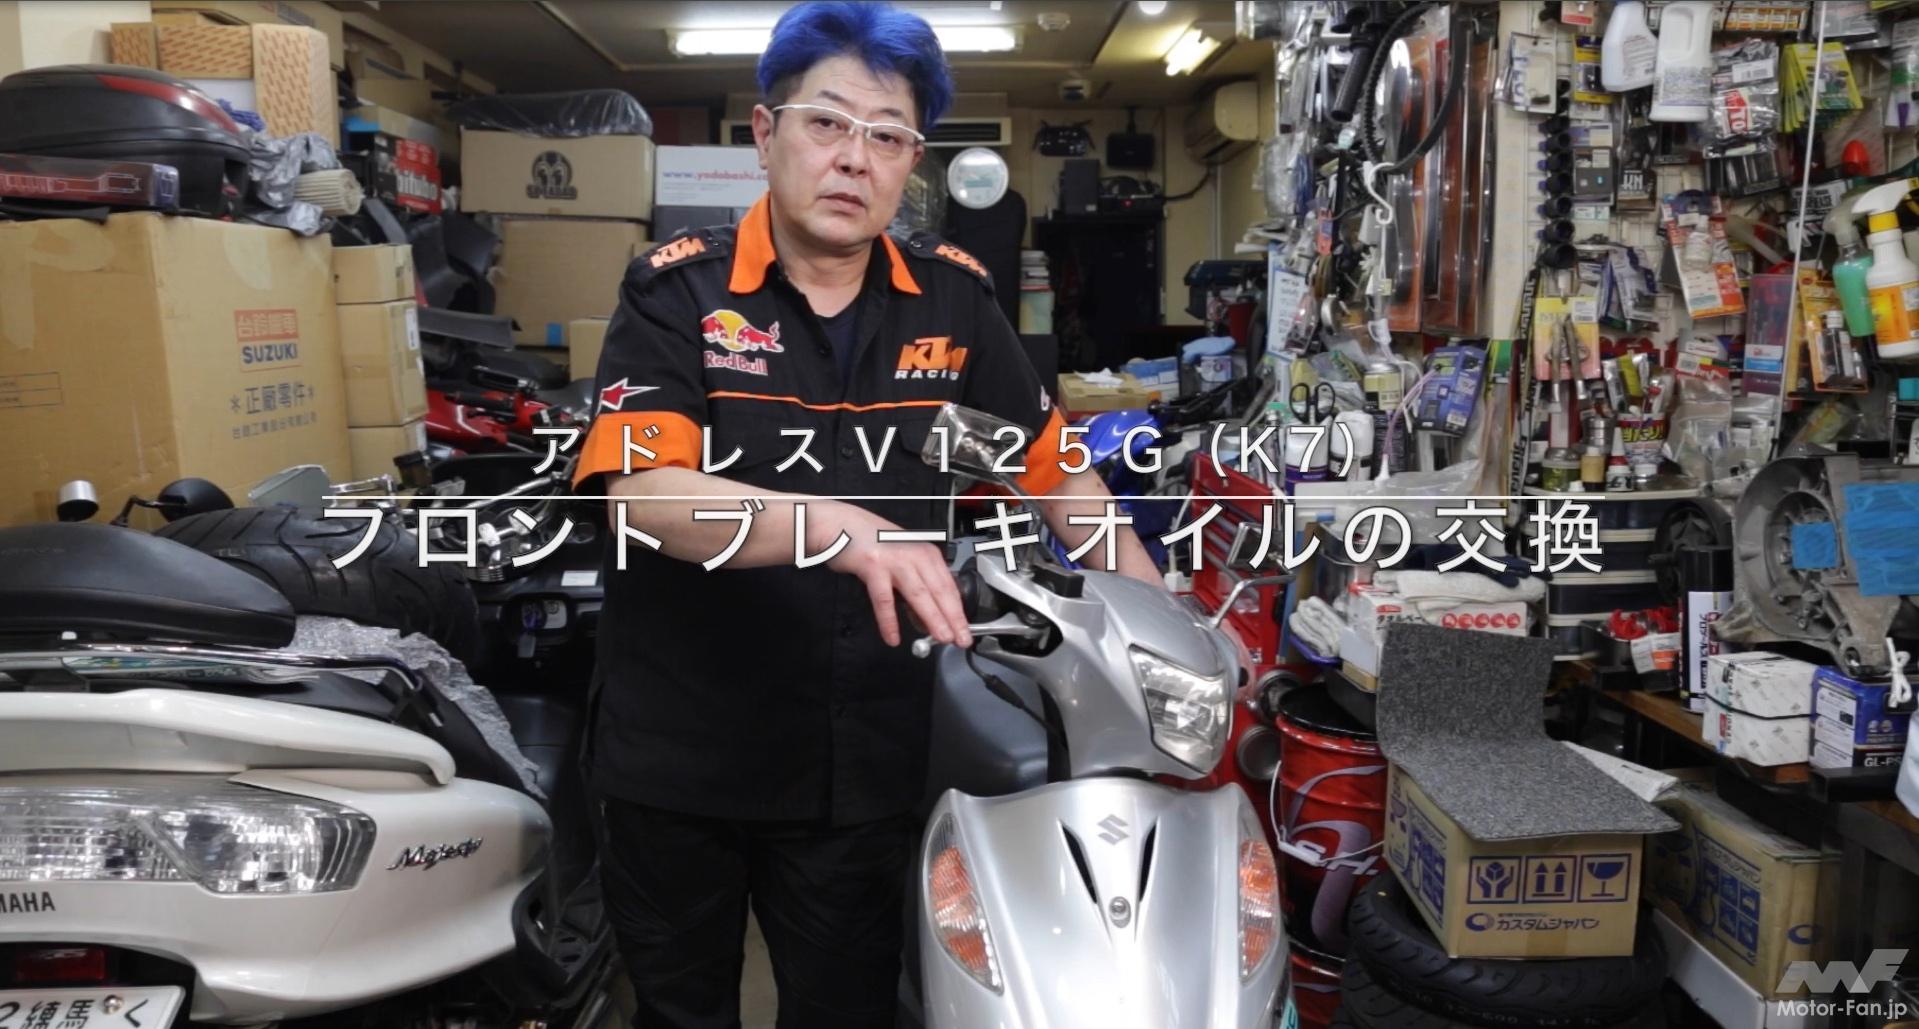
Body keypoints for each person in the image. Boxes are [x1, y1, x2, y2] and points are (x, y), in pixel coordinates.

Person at [570, 4, 1158, 1025]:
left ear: (912, 162)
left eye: (887, 135)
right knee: (679, 1012)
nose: (853, 158)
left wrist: (1163, 622)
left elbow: (1058, 484)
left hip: (860, 761)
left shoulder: (952, 306)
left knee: (847, 1007)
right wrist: (846, 526)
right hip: (679, 750)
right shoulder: (680, 294)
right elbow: (646, 493)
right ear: (765, 134)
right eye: (826, 124)